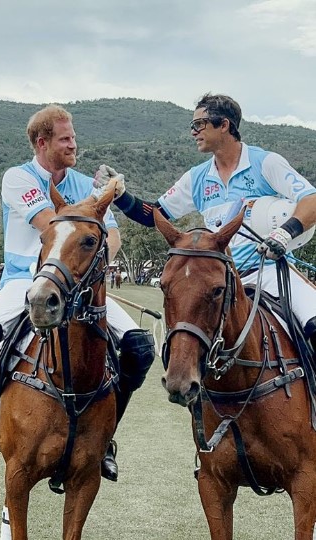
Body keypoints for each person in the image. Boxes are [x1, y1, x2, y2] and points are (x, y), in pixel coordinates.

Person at [0, 104, 155, 480]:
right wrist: (101, 200)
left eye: (74, 137)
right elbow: (52, 227)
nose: (73, 144)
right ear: (42, 141)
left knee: (139, 347)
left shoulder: (85, 185)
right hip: (25, 279)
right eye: (66, 139)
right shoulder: (18, 178)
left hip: (81, 284)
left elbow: (110, 235)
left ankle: (107, 437)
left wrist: (94, 262)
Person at [94, 92, 316, 355]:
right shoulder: (197, 178)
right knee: (182, 346)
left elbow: (311, 199)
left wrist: (284, 233)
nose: (193, 132)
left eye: (199, 124)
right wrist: (120, 195)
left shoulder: (265, 163)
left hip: (268, 273)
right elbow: (154, 214)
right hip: (218, 280)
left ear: (224, 125)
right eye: (192, 125)